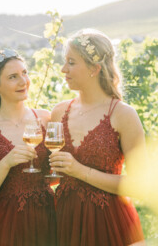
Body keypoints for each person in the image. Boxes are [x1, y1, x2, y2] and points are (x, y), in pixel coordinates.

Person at [49, 29, 146, 246]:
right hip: (64, 219)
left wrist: (80, 171)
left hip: (109, 224)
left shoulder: (123, 115)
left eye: (71, 62)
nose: (64, 69)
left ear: (95, 68)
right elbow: (54, 176)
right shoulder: (59, 112)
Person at [0, 49, 56, 246]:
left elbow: (54, 176)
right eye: (13, 77)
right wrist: (6, 163)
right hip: (5, 225)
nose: (23, 81)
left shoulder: (45, 119)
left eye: (24, 73)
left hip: (48, 217)